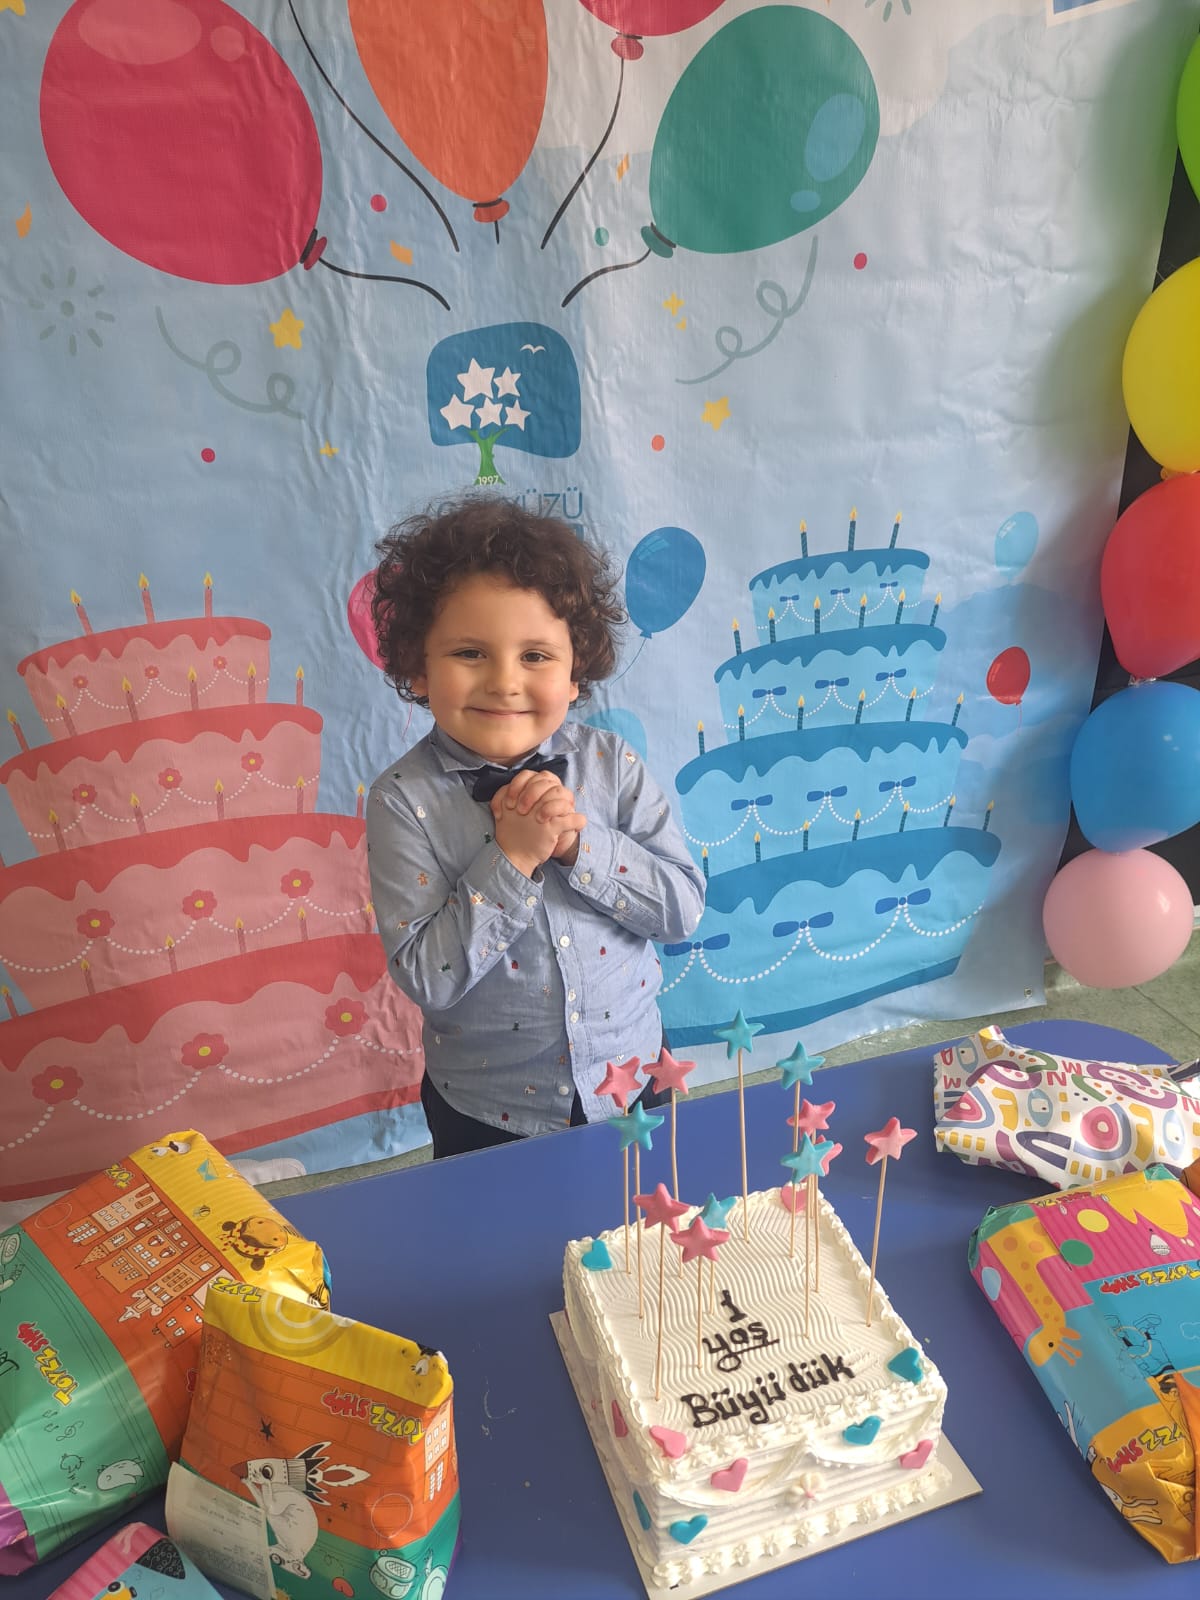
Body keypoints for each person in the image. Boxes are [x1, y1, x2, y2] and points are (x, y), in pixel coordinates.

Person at [366, 494, 706, 1158]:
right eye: (470, 652)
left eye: (536, 656)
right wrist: (512, 860)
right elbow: (428, 976)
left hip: (635, 1077)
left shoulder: (611, 765)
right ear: (416, 667)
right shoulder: (402, 800)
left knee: (644, 1220)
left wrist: (581, 847)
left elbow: (682, 910)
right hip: (486, 1110)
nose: (504, 682)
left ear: (577, 673)